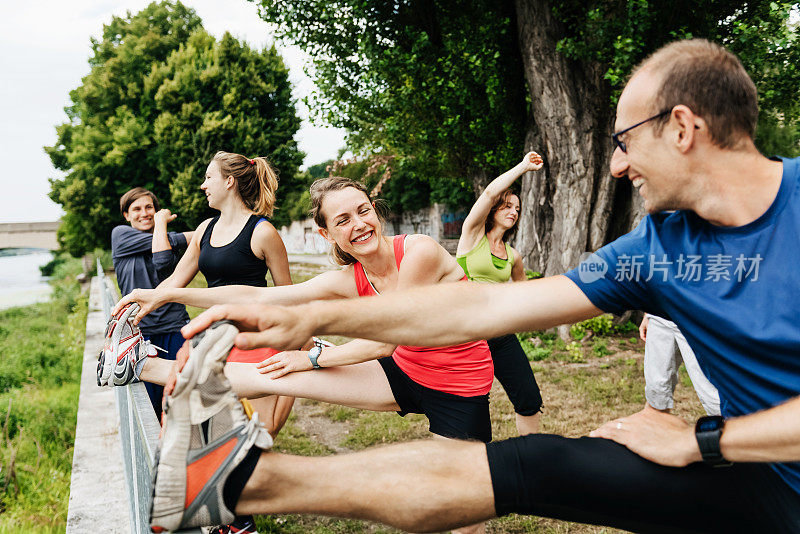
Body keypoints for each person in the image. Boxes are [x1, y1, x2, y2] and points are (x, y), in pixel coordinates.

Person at [146, 38, 800, 533]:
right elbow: (488, 305)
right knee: (536, 463)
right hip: (761, 475)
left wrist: (699, 441)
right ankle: (237, 486)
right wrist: (319, 321)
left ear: (683, 129)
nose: (617, 163)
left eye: (625, 141)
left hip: (745, 459)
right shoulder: (660, 247)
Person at [122, 176, 498, 532]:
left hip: (457, 388)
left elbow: (387, 339)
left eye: (364, 211)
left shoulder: (420, 252)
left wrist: (314, 357)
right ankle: (140, 363)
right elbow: (258, 295)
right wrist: (169, 293)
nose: (360, 224)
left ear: (376, 211)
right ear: (327, 233)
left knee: (464, 512)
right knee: (274, 373)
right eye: (343, 219)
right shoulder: (351, 278)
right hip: (403, 372)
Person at [121, 151, 297, 534]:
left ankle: (236, 510)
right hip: (214, 341)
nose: (203, 185)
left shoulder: (263, 232)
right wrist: (138, 310)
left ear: (229, 182)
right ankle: (233, 518)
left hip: (259, 341)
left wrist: (299, 345)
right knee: (209, 430)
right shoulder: (204, 230)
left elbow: (289, 296)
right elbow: (172, 284)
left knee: (257, 434)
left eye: (208, 178)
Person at [456, 151, 545, 434]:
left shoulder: (513, 256)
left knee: (529, 398)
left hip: (500, 333)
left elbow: (524, 295)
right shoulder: (471, 236)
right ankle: (474, 463)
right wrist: (523, 167)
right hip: (466, 333)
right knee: (471, 406)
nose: (513, 212)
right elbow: (490, 191)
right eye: (507, 206)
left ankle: (532, 457)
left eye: (517, 209)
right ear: (493, 209)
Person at [110, 187, 192, 417]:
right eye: (136, 209)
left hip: (175, 328)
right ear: (126, 215)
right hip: (140, 332)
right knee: (149, 404)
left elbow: (163, 260)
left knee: (178, 398)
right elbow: (172, 242)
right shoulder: (120, 235)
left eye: (150, 208)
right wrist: (190, 234)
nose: (144, 213)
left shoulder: (166, 241)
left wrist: (162, 226)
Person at [640, 313, 721, 415]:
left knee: (710, 392)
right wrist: (647, 315)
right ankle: (657, 428)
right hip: (658, 316)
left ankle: (735, 427)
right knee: (656, 389)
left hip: (694, 318)